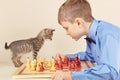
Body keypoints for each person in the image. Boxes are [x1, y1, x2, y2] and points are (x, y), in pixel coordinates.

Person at [51, 0, 120, 80]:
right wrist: (68, 57)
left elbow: (111, 72)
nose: (67, 33)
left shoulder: (107, 35)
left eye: (67, 28)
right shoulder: (92, 34)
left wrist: (72, 76)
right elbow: (90, 56)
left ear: (78, 23)